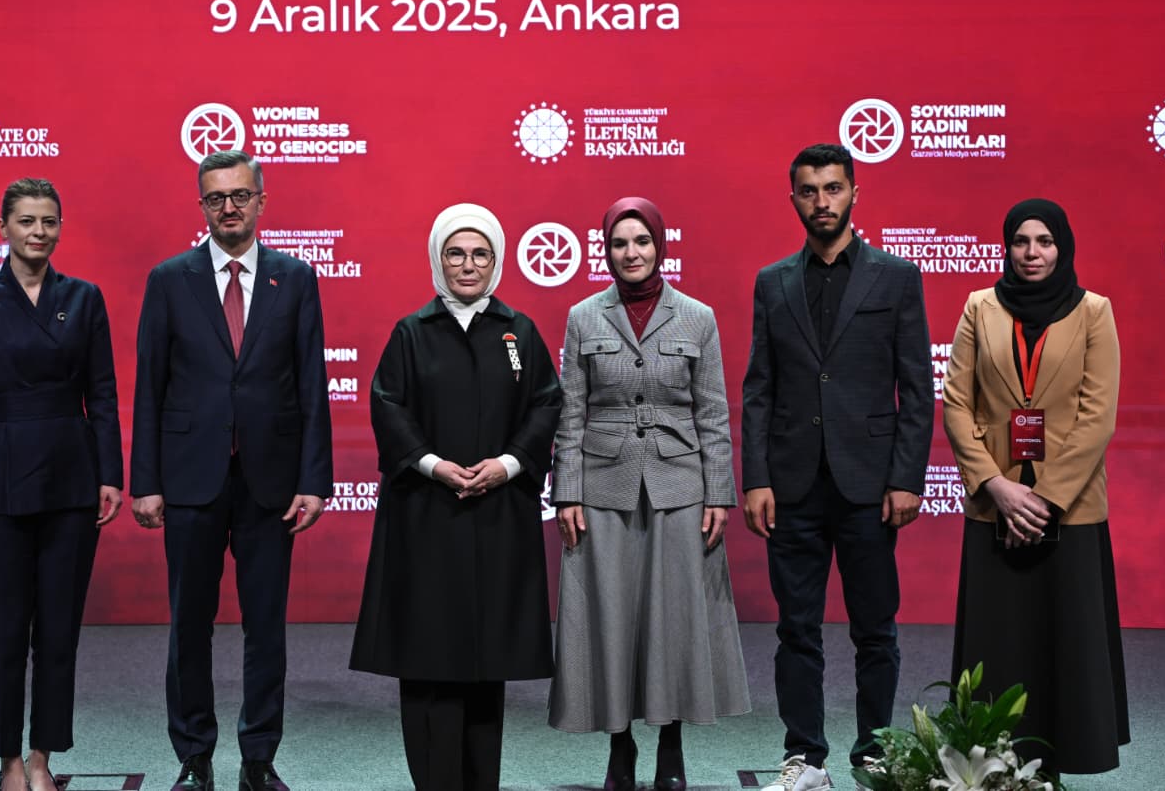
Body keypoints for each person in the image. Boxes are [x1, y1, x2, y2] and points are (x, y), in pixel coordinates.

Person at [131, 150, 333, 791]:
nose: (229, 207)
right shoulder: (170, 279)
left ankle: (258, 758)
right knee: (188, 625)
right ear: (201, 206)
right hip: (190, 478)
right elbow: (149, 387)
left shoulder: (294, 279)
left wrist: (314, 480)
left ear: (261, 202)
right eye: (216, 197)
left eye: (240, 195)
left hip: (270, 483)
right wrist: (145, 481)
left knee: (265, 627)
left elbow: (312, 384)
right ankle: (194, 757)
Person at [740, 143, 933, 791]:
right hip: (792, 484)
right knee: (796, 629)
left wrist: (906, 479)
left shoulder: (897, 277)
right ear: (793, 199)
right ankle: (805, 758)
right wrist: (756, 477)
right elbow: (759, 387)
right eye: (809, 191)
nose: (821, 202)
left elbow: (917, 388)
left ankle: (874, 752)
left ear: (854, 192)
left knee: (875, 629)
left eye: (832, 188)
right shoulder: (773, 282)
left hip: (869, 485)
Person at [349, 203, 562, 791]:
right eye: (456, 254)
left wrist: (509, 464)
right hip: (426, 517)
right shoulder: (411, 332)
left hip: (498, 516)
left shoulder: (519, 331)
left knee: (487, 663)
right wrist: (433, 464)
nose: (468, 265)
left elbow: (546, 404)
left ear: (496, 260)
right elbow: (388, 406)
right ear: (437, 259)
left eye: (480, 254)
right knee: (427, 659)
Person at [549, 197, 749, 791]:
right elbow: (571, 414)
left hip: (680, 485)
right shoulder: (583, 316)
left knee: (674, 618)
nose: (631, 253)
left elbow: (713, 412)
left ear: (660, 246)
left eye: (641, 241)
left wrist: (719, 493)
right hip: (603, 485)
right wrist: (566, 493)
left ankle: (671, 744)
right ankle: (620, 745)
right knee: (611, 616)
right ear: (605, 250)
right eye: (619, 243)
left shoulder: (698, 317)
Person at [0, 177, 124, 791]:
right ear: (4, 228)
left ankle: (42, 758)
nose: (38, 231)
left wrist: (110, 474)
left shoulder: (85, 298)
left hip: (72, 475)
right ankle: (8, 763)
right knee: (3, 632)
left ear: (60, 228)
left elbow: (102, 393)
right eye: (26, 221)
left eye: (48, 221)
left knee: (59, 631)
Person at [942, 198, 1128, 778]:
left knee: (1066, 640)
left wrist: (1043, 500)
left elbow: (1097, 417)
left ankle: (1062, 759)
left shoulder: (1095, 312)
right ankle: (989, 765)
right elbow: (956, 403)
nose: (1032, 253)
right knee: (997, 641)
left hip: (1068, 511)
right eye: (1021, 241)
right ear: (1008, 247)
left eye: (1044, 241)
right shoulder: (979, 307)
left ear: (1062, 247)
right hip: (994, 506)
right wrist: (995, 486)